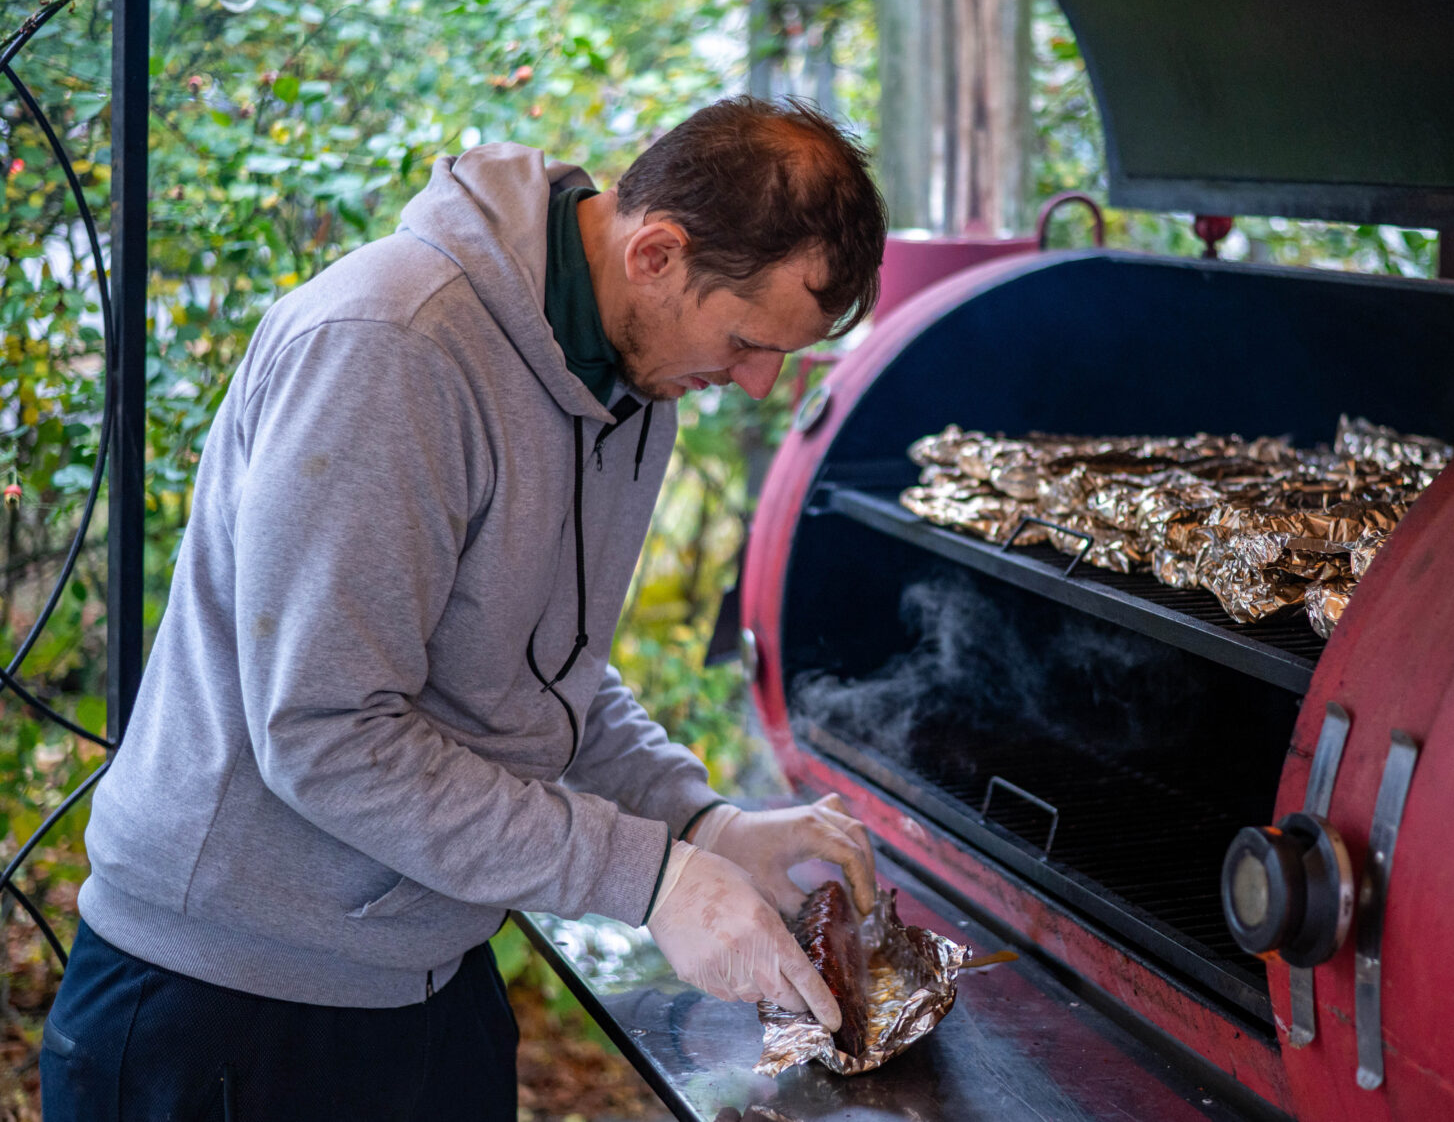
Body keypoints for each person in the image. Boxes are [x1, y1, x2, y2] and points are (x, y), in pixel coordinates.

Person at [40, 96, 889, 1120]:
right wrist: (654, 879)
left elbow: (539, 673)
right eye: (751, 341)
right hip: (224, 1004)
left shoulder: (638, 381)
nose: (757, 385)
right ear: (655, 253)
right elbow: (326, 733)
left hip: (427, 981)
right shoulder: (393, 347)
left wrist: (703, 824)